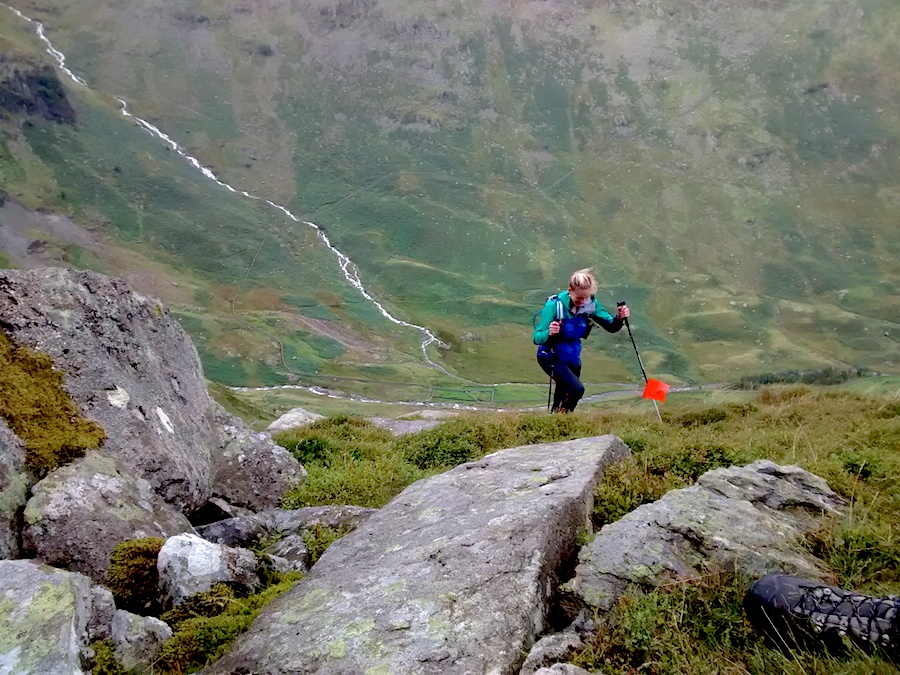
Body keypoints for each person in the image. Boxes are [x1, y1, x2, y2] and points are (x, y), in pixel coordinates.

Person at [533, 268, 630, 413]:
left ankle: (556, 421)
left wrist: (620, 318)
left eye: (587, 297)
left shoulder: (591, 305)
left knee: (564, 392)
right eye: (579, 298)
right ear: (570, 290)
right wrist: (550, 332)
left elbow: (611, 327)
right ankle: (562, 420)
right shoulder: (554, 306)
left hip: (572, 357)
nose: (583, 302)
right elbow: (537, 337)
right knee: (576, 390)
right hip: (550, 355)